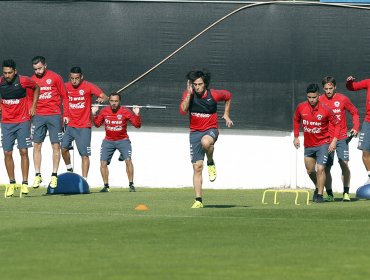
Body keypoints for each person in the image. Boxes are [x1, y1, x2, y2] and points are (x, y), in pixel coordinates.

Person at [179, 69, 233, 208]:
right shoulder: (188, 94)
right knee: (197, 167)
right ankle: (198, 200)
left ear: (205, 84)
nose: (197, 87)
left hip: (211, 130)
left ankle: (210, 161)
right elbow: (183, 110)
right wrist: (189, 95)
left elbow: (228, 96)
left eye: (200, 84)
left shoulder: (214, 94)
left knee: (206, 142)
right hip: (194, 133)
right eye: (195, 84)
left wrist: (226, 114)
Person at [293, 83, 340, 203]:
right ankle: (318, 187)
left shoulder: (325, 109)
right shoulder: (301, 107)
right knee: (310, 171)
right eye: (309, 97)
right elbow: (296, 120)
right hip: (308, 145)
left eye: (314, 97)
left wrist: (334, 140)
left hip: (323, 144)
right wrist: (296, 137)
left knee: (320, 169)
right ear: (306, 96)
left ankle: (319, 195)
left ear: (318, 96)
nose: (312, 100)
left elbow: (337, 124)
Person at [0, 59, 40, 197]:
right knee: (7, 153)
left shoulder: (24, 81)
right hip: (6, 123)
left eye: (10, 72)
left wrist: (33, 105)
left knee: (23, 151)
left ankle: (24, 183)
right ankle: (12, 183)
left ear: (15, 71)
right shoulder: (1, 82)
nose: (7, 75)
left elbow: (37, 88)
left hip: (23, 121)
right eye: (5, 73)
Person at [61, 66, 108, 180]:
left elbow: (104, 96)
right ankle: (69, 168)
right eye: (72, 78)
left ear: (81, 77)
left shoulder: (88, 86)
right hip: (70, 126)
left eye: (76, 78)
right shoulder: (66, 87)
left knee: (84, 155)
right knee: (63, 148)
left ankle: (84, 180)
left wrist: (102, 99)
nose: (74, 81)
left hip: (84, 127)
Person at [30, 56, 70, 189]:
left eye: (40, 68)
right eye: (35, 69)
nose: (38, 71)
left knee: (55, 146)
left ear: (45, 66)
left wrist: (66, 114)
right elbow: (29, 98)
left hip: (54, 115)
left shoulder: (55, 77)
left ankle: (54, 175)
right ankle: (37, 175)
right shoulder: (32, 80)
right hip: (38, 116)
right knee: (37, 145)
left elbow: (65, 96)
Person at [319, 76, 359, 202]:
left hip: (341, 137)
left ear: (335, 87)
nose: (328, 91)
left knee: (344, 164)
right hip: (326, 138)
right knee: (326, 167)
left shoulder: (343, 99)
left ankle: (346, 193)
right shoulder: (319, 100)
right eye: (326, 89)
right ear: (323, 89)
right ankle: (330, 194)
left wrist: (356, 127)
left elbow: (355, 112)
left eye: (331, 88)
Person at [91, 92, 141, 192]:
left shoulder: (125, 111)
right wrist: (94, 113)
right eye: (112, 101)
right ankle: (106, 186)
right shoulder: (104, 111)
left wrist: (136, 114)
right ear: (109, 101)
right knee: (103, 162)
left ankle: (131, 185)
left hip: (123, 140)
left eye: (116, 101)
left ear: (119, 102)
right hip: (108, 141)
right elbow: (97, 124)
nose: (114, 103)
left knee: (128, 160)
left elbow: (137, 125)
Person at [346, 75, 370, 186]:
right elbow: (352, 87)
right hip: (368, 122)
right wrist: (349, 83)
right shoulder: (368, 82)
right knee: (365, 152)